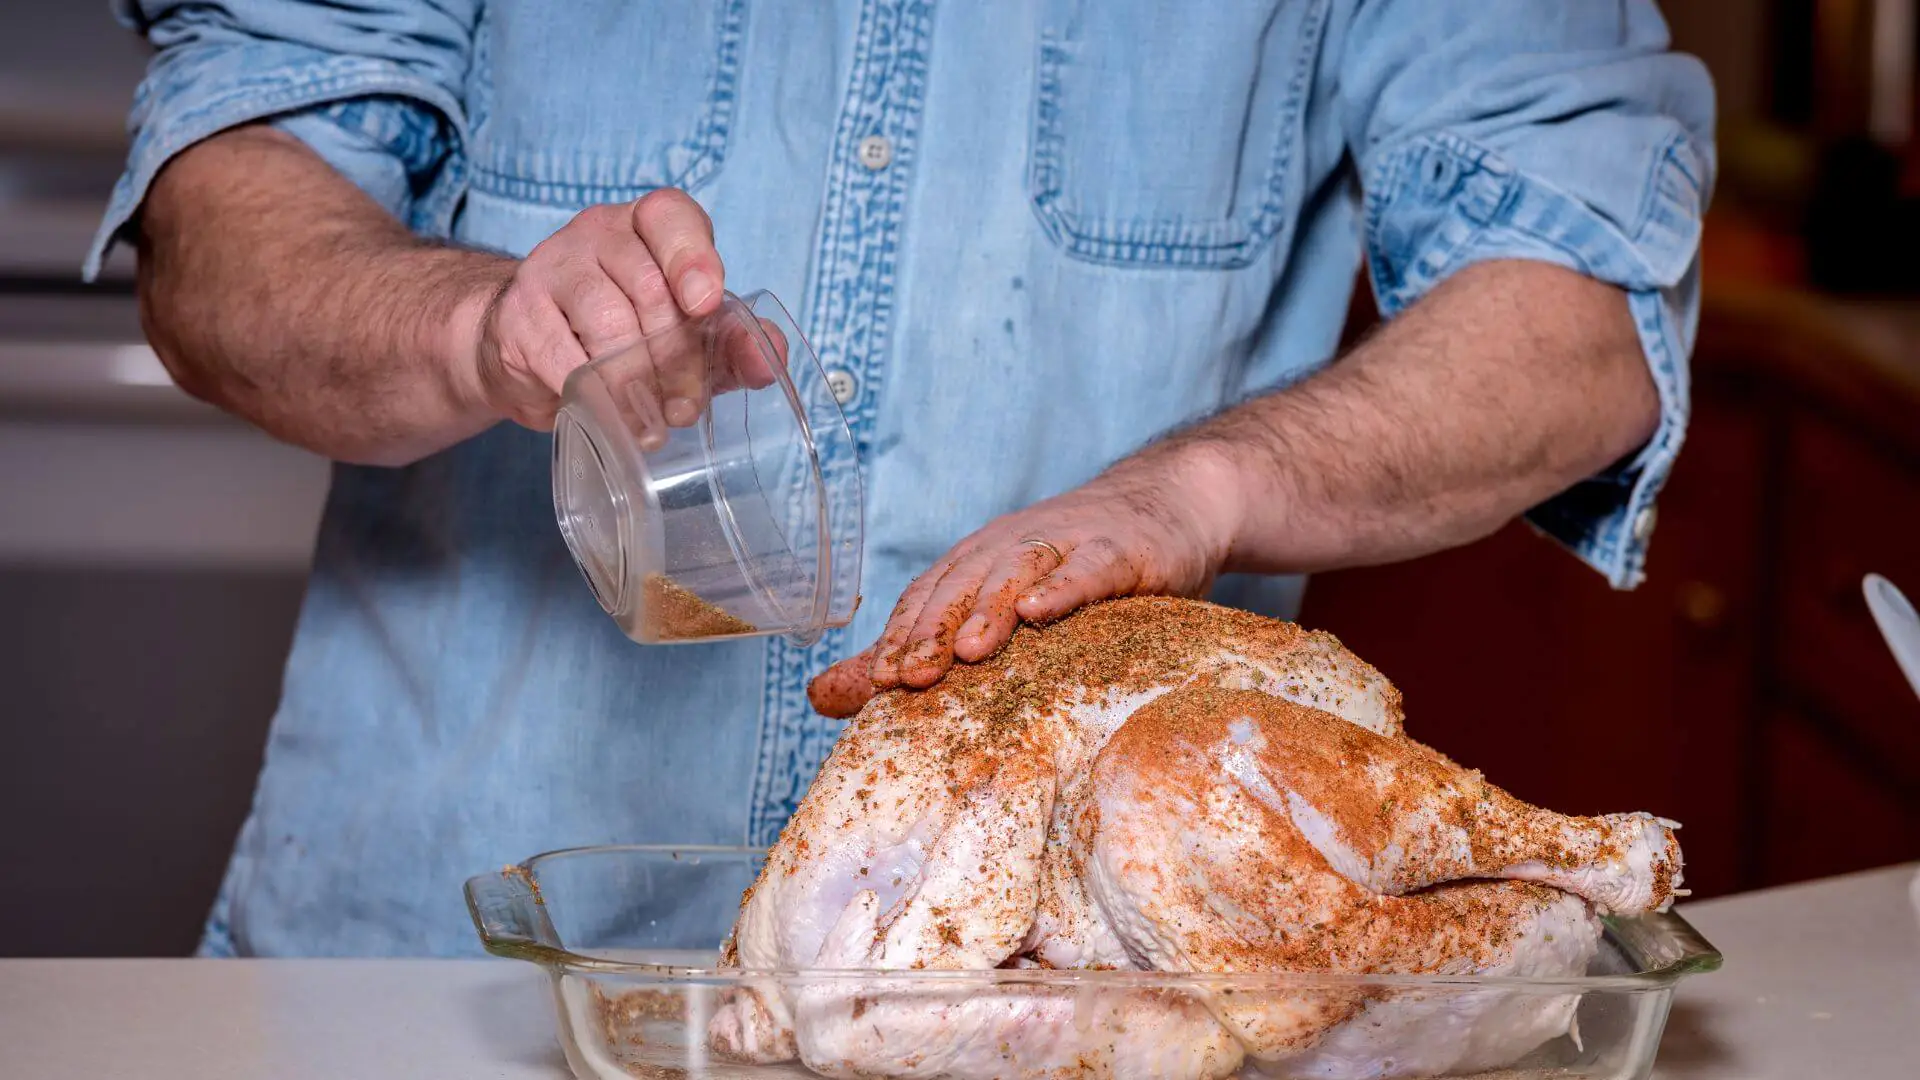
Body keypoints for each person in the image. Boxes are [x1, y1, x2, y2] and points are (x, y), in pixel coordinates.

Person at [90, 1, 1713, 957]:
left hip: (1062, 997)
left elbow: (1583, 308)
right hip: (444, 965)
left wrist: (1198, 489)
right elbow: (227, 208)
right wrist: (471, 327)